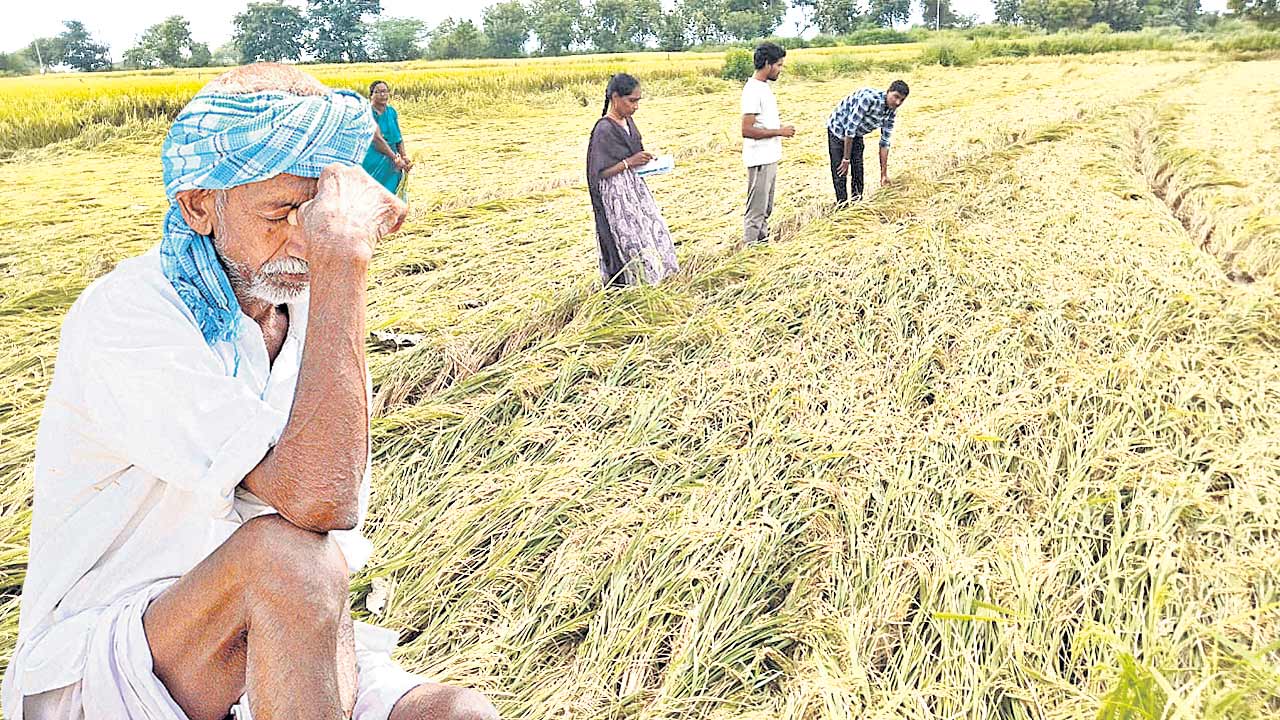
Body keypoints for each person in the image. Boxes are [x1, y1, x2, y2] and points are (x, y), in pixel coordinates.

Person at [1, 63, 498, 720]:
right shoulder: (128, 315)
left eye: (316, 214)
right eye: (280, 213)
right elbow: (317, 501)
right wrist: (344, 263)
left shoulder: (306, 308)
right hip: (121, 659)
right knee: (289, 560)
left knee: (457, 713)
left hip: (286, 631)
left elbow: (329, 513)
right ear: (199, 205)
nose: (304, 241)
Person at [586, 73, 679, 287]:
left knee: (652, 230)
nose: (635, 106)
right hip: (617, 194)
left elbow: (633, 150)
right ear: (615, 98)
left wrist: (644, 159)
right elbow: (599, 172)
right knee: (631, 239)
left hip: (635, 188)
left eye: (638, 101)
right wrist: (629, 162)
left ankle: (659, 277)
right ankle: (637, 285)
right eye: (631, 101)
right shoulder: (603, 129)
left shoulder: (628, 121)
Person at [741, 42, 796, 247]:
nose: (780, 69)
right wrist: (780, 131)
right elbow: (747, 130)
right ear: (767, 64)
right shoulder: (752, 91)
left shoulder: (763, 88)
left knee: (766, 209)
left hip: (770, 157)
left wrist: (777, 129)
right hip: (760, 160)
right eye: (779, 65)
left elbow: (762, 124)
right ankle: (749, 252)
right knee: (756, 211)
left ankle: (762, 248)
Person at [826, 80, 909, 204]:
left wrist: (883, 174)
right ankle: (842, 206)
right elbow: (850, 129)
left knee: (858, 170)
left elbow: (885, 143)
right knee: (840, 172)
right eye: (895, 97)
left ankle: (857, 204)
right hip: (838, 129)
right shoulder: (868, 99)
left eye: (901, 100)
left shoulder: (891, 112)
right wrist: (846, 159)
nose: (897, 102)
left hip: (856, 134)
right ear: (888, 92)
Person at [362, 80, 412, 196]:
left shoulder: (391, 112)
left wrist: (403, 156)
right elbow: (377, 139)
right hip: (374, 159)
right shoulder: (367, 113)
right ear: (371, 95)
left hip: (392, 163)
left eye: (385, 91)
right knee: (374, 193)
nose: (382, 95)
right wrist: (395, 158)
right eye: (378, 92)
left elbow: (398, 137)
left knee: (393, 194)